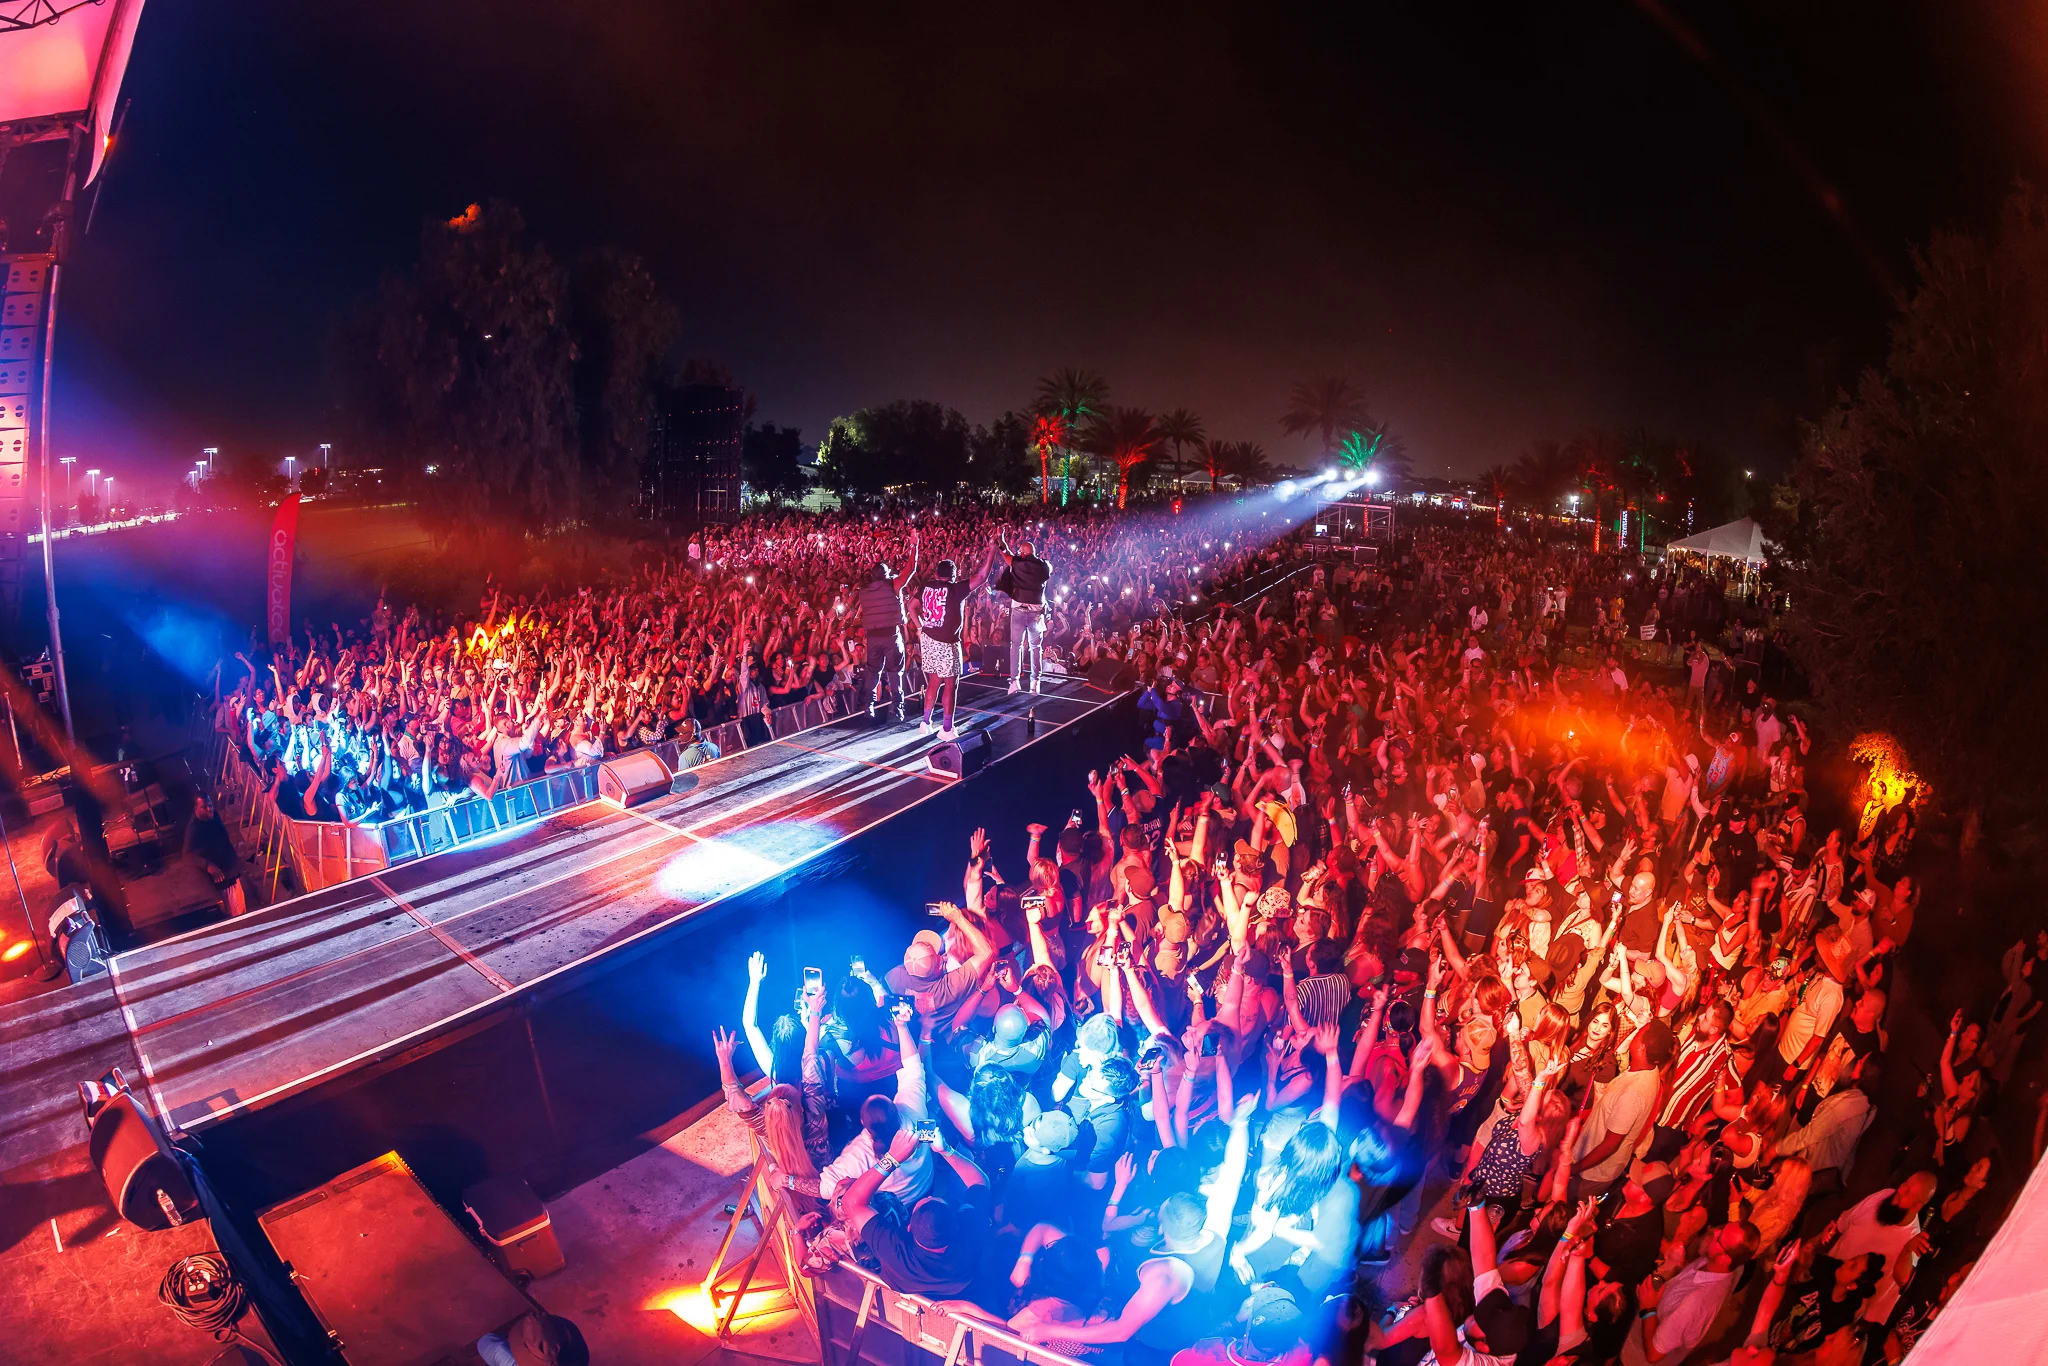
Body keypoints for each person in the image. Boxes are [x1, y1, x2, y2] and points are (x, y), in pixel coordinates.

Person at [1622, 1218, 1760, 1365]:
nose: (1715, 1233)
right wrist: (1679, 1264)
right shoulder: (1730, 1266)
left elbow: (1653, 1354)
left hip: (1634, 1358)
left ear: (1724, 1259)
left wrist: (1648, 1308)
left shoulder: (1695, 1303)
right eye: (1722, 1229)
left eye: (1719, 1238)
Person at [914, 546, 999, 739]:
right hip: (946, 642)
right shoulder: (955, 589)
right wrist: (992, 551)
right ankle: (947, 729)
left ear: (936, 574)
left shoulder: (926, 587)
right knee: (951, 685)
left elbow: (911, 606)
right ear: (953, 576)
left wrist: (919, 626)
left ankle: (925, 723)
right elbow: (982, 576)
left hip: (928, 638)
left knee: (934, 680)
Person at [859, 535, 919, 720]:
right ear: (886, 575)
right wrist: (914, 546)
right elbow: (911, 569)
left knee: (873, 671)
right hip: (891, 636)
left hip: (873, 637)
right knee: (895, 672)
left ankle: (869, 706)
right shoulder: (893, 585)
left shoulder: (864, 591)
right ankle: (898, 708)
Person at [997, 531, 1053, 694]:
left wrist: (1002, 540)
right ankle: (1035, 682)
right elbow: (1049, 570)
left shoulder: (1017, 563)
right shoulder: (1045, 566)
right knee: (1035, 647)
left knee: (1016, 646)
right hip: (1036, 612)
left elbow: (1005, 553)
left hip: (1019, 611)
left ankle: (1014, 681)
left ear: (1022, 553)